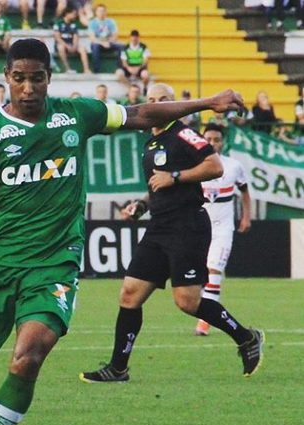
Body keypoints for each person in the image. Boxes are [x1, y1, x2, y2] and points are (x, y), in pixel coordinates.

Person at [0, 38, 248, 425]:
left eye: (37, 79)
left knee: (28, 358)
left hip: (55, 264)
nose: (28, 88)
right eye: (19, 79)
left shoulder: (76, 115)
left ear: (49, 78)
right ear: (6, 77)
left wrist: (207, 102)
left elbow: (140, 112)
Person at [80, 82, 264, 384]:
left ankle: (246, 337)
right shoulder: (151, 141)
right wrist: (141, 204)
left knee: (187, 302)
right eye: (151, 100)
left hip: (187, 225)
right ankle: (118, 368)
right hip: (159, 226)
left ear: (172, 104)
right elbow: (159, 185)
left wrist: (176, 176)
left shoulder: (183, 133)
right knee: (129, 294)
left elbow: (214, 166)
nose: (155, 105)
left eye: (162, 100)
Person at [195, 124, 252, 336]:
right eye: (208, 139)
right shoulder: (195, 164)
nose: (212, 143)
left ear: (222, 141)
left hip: (223, 228)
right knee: (199, 275)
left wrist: (246, 216)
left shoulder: (234, 166)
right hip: (199, 227)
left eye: (216, 139)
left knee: (214, 270)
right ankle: (208, 311)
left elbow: (245, 191)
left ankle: (205, 322)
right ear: (202, 139)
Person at [53, 4, 92, 74]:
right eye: (73, 14)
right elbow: (57, 37)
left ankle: (86, 69)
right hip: (62, 44)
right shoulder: (58, 23)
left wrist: (74, 45)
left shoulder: (74, 24)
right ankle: (67, 68)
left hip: (71, 44)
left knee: (82, 48)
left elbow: (76, 36)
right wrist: (66, 45)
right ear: (67, 14)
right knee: (60, 47)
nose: (75, 16)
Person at [88, 3, 124, 73]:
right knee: (95, 46)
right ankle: (96, 70)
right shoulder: (92, 23)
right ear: (96, 12)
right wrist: (102, 43)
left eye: (103, 11)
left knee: (122, 46)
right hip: (98, 43)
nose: (101, 13)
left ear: (105, 12)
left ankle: (119, 68)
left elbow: (115, 35)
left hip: (109, 42)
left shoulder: (111, 21)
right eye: (99, 11)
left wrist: (109, 42)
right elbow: (92, 38)